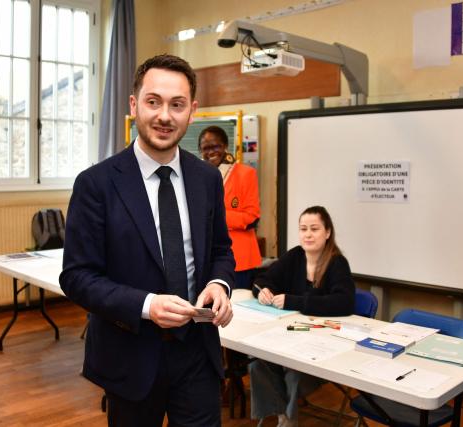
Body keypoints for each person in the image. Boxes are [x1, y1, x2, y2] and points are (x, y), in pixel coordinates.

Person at [59, 54, 235, 427]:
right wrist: (146, 304)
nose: (165, 116)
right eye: (154, 102)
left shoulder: (207, 180)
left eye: (177, 105)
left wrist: (220, 285)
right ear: (134, 104)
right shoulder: (96, 184)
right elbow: (76, 277)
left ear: (193, 111)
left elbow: (221, 250)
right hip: (130, 357)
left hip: (198, 354)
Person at [249, 206, 355, 427]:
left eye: (314, 229)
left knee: (294, 372)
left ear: (327, 233)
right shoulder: (295, 256)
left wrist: (293, 301)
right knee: (257, 365)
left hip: (322, 343)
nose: (307, 234)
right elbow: (263, 278)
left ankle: (288, 420)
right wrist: (262, 291)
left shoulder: (337, 263)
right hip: (289, 336)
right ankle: (283, 416)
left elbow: (344, 302)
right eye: (303, 229)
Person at [198, 126, 261, 290]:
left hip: (239, 260)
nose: (211, 152)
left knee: (238, 311)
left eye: (216, 146)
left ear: (225, 146)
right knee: (211, 312)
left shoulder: (246, 174)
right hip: (205, 260)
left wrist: (214, 217)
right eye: (206, 148)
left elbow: (252, 218)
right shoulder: (198, 177)